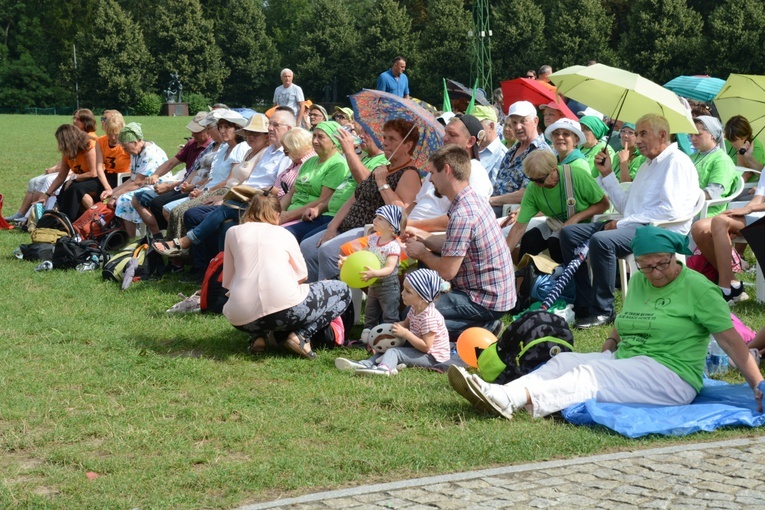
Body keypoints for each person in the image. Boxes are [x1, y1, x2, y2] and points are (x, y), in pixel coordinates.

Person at [450, 226, 765, 420]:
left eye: (662, 264)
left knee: (590, 373)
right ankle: (501, 392)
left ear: (674, 256)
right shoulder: (641, 281)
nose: (654, 273)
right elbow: (627, 318)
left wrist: (757, 384)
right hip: (631, 360)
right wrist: (612, 342)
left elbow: (730, 341)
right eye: (645, 266)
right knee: (568, 361)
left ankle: (508, 400)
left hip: (671, 376)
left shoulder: (699, 289)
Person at [561, 114, 701, 329]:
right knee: (570, 234)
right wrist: (607, 173)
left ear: (663, 135)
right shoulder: (648, 164)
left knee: (602, 240)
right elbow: (627, 208)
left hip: (663, 232)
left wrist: (622, 223)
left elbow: (671, 210)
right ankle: (584, 303)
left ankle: (603, 311)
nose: (637, 140)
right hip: (638, 226)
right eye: (637, 134)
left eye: (643, 134)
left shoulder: (676, 162)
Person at [222, 190, 352, 360]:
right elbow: (302, 275)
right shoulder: (285, 233)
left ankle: (257, 337)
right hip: (285, 311)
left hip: (240, 317)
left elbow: (229, 280)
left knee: (257, 300)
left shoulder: (232, 232)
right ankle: (302, 336)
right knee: (343, 290)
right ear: (277, 215)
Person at [405, 145, 516, 339]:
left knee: (414, 317)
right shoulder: (470, 199)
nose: (430, 179)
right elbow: (452, 246)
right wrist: (420, 235)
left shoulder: (463, 213)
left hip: (483, 299)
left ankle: (483, 328)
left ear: (446, 170)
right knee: (416, 317)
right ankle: (479, 326)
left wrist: (422, 252)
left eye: (432, 172)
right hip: (493, 295)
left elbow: (447, 270)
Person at [300, 118, 421, 282]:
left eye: (392, 139)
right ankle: (313, 293)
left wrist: (382, 183)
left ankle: (332, 299)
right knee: (307, 247)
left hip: (369, 231)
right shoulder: (382, 168)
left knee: (327, 252)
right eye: (384, 138)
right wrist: (332, 227)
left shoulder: (409, 174)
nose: (385, 143)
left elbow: (401, 213)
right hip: (347, 225)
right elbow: (353, 198)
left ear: (408, 145)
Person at [335, 269, 451, 376]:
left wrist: (405, 334)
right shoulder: (414, 308)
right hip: (418, 348)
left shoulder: (429, 318)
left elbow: (426, 347)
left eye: (408, 291)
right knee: (387, 346)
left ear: (422, 297)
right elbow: (405, 324)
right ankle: (366, 363)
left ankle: (384, 369)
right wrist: (384, 334)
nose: (402, 293)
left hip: (432, 357)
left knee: (394, 351)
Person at [505, 150, 609, 263]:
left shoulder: (577, 176)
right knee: (529, 240)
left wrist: (577, 217)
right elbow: (518, 229)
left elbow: (604, 204)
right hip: (557, 223)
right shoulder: (533, 188)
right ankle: (523, 278)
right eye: (532, 179)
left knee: (555, 242)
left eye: (540, 180)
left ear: (553, 170)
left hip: (588, 224)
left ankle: (564, 279)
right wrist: (502, 259)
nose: (535, 184)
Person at [691, 160, 765, 304]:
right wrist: (741, 213)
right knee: (700, 227)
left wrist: (749, 209)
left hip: (760, 218)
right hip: (757, 216)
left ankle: (725, 288)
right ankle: (734, 285)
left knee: (719, 221)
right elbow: (757, 199)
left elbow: (753, 207)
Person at [131, 111, 212, 239]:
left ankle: (176, 238)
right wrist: (156, 175)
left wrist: (170, 186)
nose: (193, 134)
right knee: (142, 199)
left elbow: (207, 177)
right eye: (192, 130)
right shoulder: (192, 144)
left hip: (193, 188)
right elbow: (172, 163)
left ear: (209, 130)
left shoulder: (211, 149)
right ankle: (160, 236)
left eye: (197, 131)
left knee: (158, 204)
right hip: (184, 184)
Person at [280, 121, 350, 241]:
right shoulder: (310, 162)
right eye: (314, 136)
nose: (315, 141)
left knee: (277, 235)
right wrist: (278, 212)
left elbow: (323, 200)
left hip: (309, 217)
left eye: (321, 137)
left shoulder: (337, 164)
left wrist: (287, 216)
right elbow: (291, 193)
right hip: (289, 215)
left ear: (334, 142)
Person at [340, 205, 404, 329]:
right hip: (374, 284)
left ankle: (389, 336)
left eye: (380, 219)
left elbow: (390, 268)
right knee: (370, 311)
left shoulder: (393, 246)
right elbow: (362, 254)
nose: (375, 220)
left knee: (390, 312)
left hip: (388, 285)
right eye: (376, 217)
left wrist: (375, 273)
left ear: (391, 227)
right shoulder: (374, 240)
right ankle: (367, 334)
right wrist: (347, 260)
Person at [101, 123, 168, 237]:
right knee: (119, 198)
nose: (125, 151)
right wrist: (112, 191)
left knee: (124, 199)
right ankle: (128, 236)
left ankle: (131, 237)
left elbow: (138, 183)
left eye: (125, 147)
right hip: (144, 185)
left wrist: (115, 196)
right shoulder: (136, 152)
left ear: (136, 142)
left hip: (159, 186)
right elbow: (132, 180)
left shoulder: (149, 153)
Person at [490, 101, 551, 216]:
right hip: (495, 204)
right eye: (514, 122)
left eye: (523, 121)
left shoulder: (540, 152)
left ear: (536, 121)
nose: (518, 127)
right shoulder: (512, 150)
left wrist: (491, 201)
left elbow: (527, 193)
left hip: (513, 211)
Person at [41, 124, 98, 222]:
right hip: (81, 181)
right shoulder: (68, 152)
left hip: (97, 180)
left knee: (75, 189)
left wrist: (74, 178)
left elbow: (93, 173)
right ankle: (64, 218)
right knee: (65, 188)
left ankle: (72, 219)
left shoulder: (89, 147)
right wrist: (46, 195)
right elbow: (61, 176)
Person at [688, 116, 738, 217]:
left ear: (712, 134)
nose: (693, 138)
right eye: (691, 134)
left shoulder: (722, 160)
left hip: (706, 211)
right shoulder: (691, 157)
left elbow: (712, 193)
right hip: (687, 206)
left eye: (698, 134)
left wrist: (683, 197)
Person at [724, 115, 765, 183]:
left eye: (734, 140)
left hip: (747, 185)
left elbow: (745, 176)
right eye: (729, 139)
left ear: (745, 137)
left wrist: (740, 153)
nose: (731, 143)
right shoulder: (728, 142)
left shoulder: (756, 147)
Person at [473, 105, 507, 185]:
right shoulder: (471, 148)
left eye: (477, 126)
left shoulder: (502, 154)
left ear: (491, 126)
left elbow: (496, 190)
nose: (473, 130)